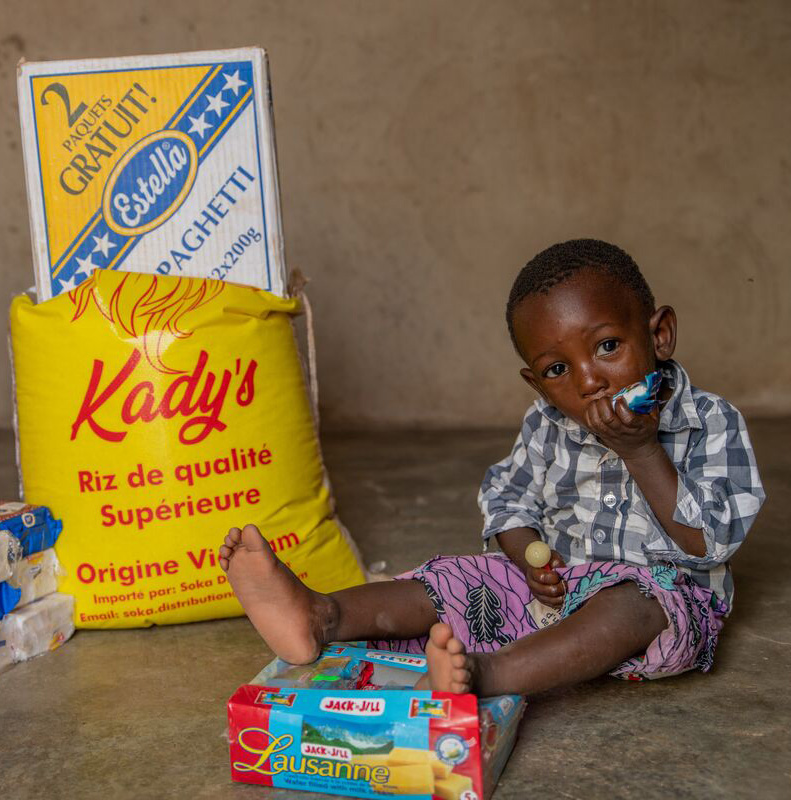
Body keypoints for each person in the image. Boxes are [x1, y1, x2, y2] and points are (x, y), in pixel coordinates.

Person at [218, 239, 765, 696]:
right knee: (456, 578)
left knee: (629, 608)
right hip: (556, 586)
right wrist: (530, 558)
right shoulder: (549, 421)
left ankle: (488, 672)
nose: (588, 380)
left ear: (659, 334)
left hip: (665, 596)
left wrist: (642, 451)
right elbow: (508, 498)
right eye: (557, 368)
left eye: (607, 345)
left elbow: (709, 542)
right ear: (535, 381)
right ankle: (320, 616)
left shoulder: (709, 422)